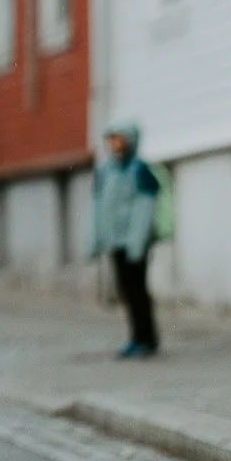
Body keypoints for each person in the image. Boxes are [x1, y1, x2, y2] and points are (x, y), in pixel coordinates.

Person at [88, 122, 161, 357]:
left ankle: (147, 338)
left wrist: (137, 243)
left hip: (135, 244)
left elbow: (144, 209)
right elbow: (99, 207)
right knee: (126, 292)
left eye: (119, 140)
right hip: (115, 242)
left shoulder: (140, 170)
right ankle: (135, 337)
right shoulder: (106, 171)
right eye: (112, 141)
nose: (115, 146)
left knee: (138, 290)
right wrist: (95, 240)